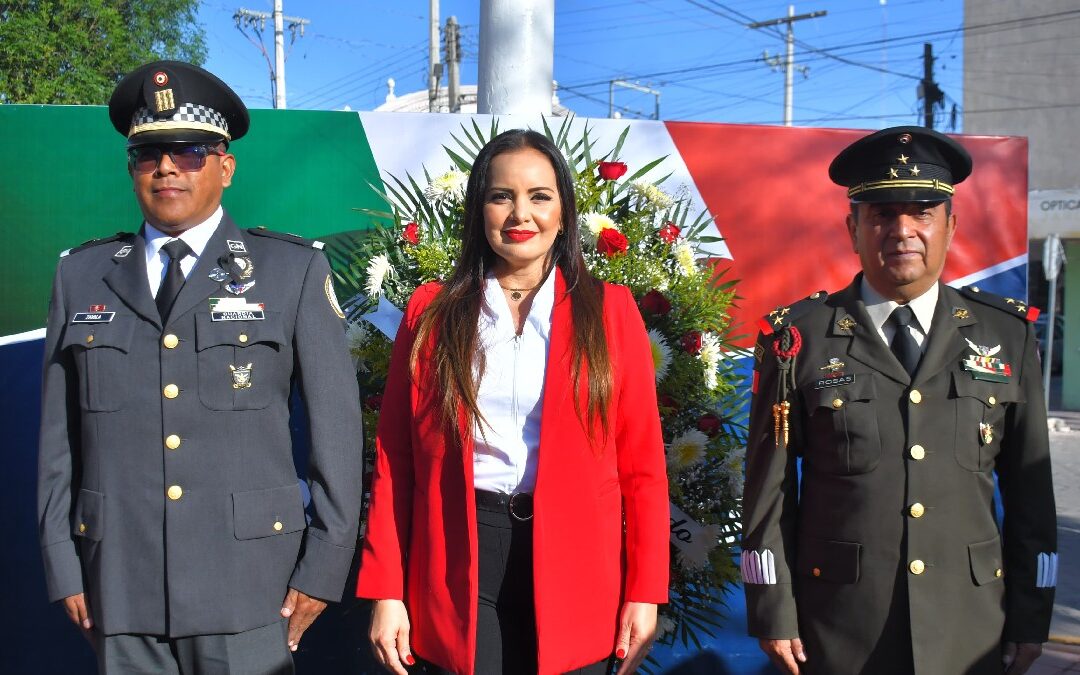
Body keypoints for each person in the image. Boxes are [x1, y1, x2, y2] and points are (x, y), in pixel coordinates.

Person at [36, 60, 364, 673]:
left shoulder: (289, 271)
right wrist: (62, 563)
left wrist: (324, 564)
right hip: (118, 582)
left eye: (188, 152)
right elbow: (58, 441)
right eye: (147, 155)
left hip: (252, 585)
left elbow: (337, 434)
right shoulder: (81, 275)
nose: (165, 168)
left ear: (226, 166)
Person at [741, 126, 1057, 675]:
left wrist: (1032, 615)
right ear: (853, 228)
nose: (902, 231)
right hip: (838, 626)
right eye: (883, 214)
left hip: (969, 624)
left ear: (951, 225)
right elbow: (768, 492)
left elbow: (1031, 494)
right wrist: (773, 609)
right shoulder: (798, 338)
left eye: (922, 212)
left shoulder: (1006, 335)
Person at [356, 129, 670, 675]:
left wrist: (645, 592)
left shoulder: (610, 311)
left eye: (539, 196)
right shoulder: (431, 312)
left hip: (578, 563)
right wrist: (387, 590)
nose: (520, 213)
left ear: (565, 211)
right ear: (479, 209)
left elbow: (642, 467)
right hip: (458, 552)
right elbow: (394, 458)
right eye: (501, 195)